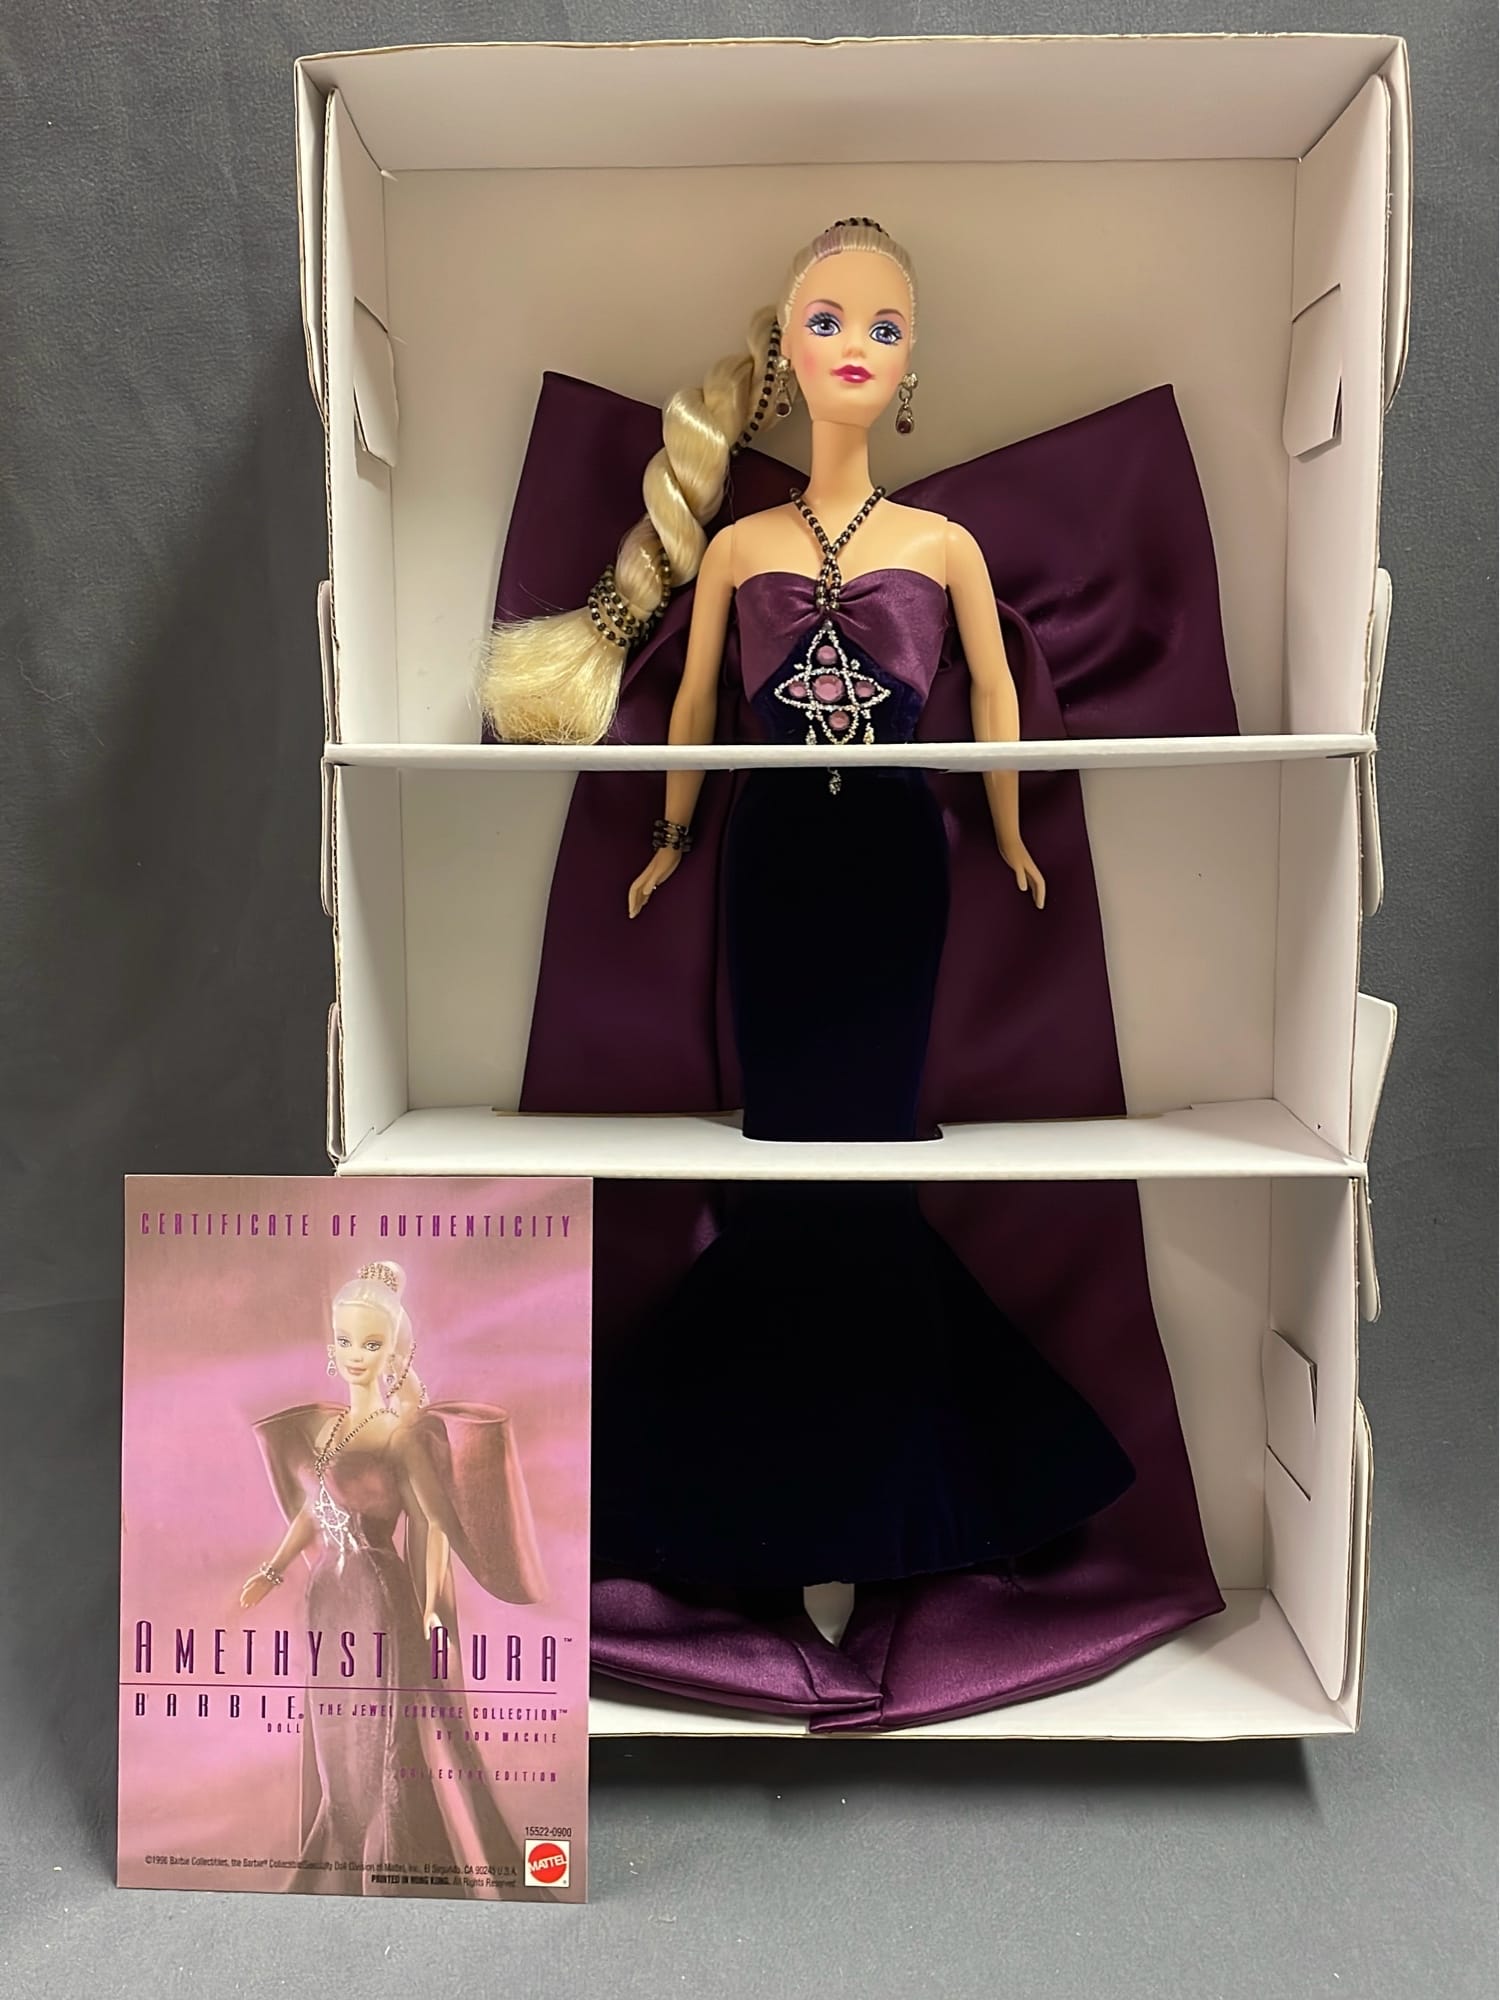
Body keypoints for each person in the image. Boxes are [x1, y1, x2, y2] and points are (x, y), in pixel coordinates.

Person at [485, 218, 1236, 1731]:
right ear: (785, 348)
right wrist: (671, 839)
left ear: (912, 367)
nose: (856, 347)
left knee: (874, 1183)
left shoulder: (943, 547)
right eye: (829, 320)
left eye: (885, 328)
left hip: (901, 865)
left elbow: (998, 694)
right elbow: (694, 709)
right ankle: (774, 1511)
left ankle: (885, 1510)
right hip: (772, 872)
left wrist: (1008, 832)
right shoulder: (738, 548)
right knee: (784, 1183)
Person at [240, 1259, 546, 1894]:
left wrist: (431, 1604)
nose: (356, 1355)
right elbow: (314, 1511)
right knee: (335, 1740)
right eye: (345, 1341)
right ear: (331, 1347)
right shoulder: (329, 1430)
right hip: (328, 1599)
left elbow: (435, 1523)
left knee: (378, 1738)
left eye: (371, 1343)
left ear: (393, 1352)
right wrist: (272, 1569)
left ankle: (385, 1862)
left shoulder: (400, 1438)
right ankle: (340, 1847)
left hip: (379, 1597)